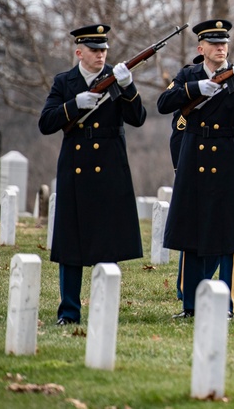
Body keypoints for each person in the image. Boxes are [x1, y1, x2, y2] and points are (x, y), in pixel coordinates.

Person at [38, 24, 145, 325]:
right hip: (75, 168)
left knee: (107, 243)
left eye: (103, 50)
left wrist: (128, 87)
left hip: (110, 168)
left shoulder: (115, 78)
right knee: (71, 246)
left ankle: (104, 307)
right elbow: (46, 122)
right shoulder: (65, 82)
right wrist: (73, 106)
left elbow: (138, 118)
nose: (100, 55)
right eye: (94, 50)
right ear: (79, 52)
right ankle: (69, 312)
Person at [156, 19, 234, 318]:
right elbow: (164, 103)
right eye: (214, 44)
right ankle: (191, 305)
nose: (221, 48)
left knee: (229, 234)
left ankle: (227, 304)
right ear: (201, 48)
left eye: (224, 43)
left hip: (227, 155)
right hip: (194, 155)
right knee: (191, 232)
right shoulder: (188, 75)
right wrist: (195, 88)